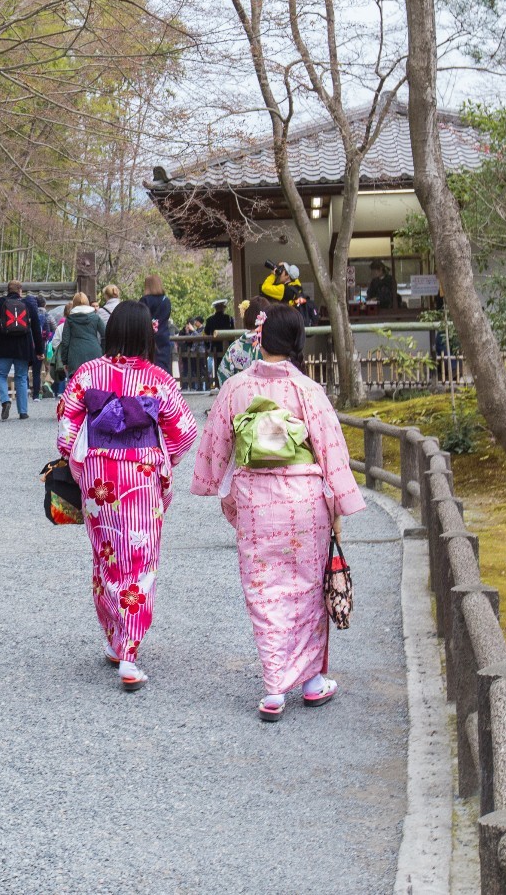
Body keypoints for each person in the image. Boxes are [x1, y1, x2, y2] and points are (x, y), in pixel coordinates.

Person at [191, 306, 366, 721]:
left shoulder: (235, 387)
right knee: (306, 587)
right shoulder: (307, 390)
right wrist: (340, 503)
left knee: (264, 591)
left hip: (256, 500)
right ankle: (310, 682)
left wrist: (211, 482)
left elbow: (217, 443)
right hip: (305, 500)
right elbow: (331, 450)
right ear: (297, 342)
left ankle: (273, 688)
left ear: (261, 339)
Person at [56, 301, 200, 692]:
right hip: (141, 477)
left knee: (107, 556)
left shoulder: (88, 374)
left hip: (100, 476)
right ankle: (130, 654)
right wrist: (159, 457)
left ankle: (113, 639)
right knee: (139, 559)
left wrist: (79, 465)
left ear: (112, 332)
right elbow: (185, 432)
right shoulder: (158, 380)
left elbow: (67, 431)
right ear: (147, 335)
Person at [0, 279, 44, 421]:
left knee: (0, 375)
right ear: (20, 291)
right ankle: (23, 412)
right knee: (21, 377)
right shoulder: (28, 304)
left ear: (8, 290)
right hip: (23, 348)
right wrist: (40, 350)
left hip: (3, 347)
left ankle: (5, 400)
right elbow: (36, 330)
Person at [57, 289, 108, 377]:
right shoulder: (96, 317)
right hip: (95, 354)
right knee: (94, 386)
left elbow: (65, 341)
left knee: (76, 387)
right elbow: (105, 336)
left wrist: (64, 361)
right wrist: (103, 352)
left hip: (75, 357)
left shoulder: (69, 320)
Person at [141, 274, 175, 374]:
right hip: (163, 336)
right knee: (163, 367)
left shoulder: (145, 300)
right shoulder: (166, 301)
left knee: (148, 367)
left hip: (147, 338)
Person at [22, 290, 51, 399]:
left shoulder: (23, 314)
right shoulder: (44, 316)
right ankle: (36, 396)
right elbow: (47, 332)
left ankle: (24, 393)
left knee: (23, 371)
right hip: (39, 346)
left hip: (26, 346)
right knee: (36, 372)